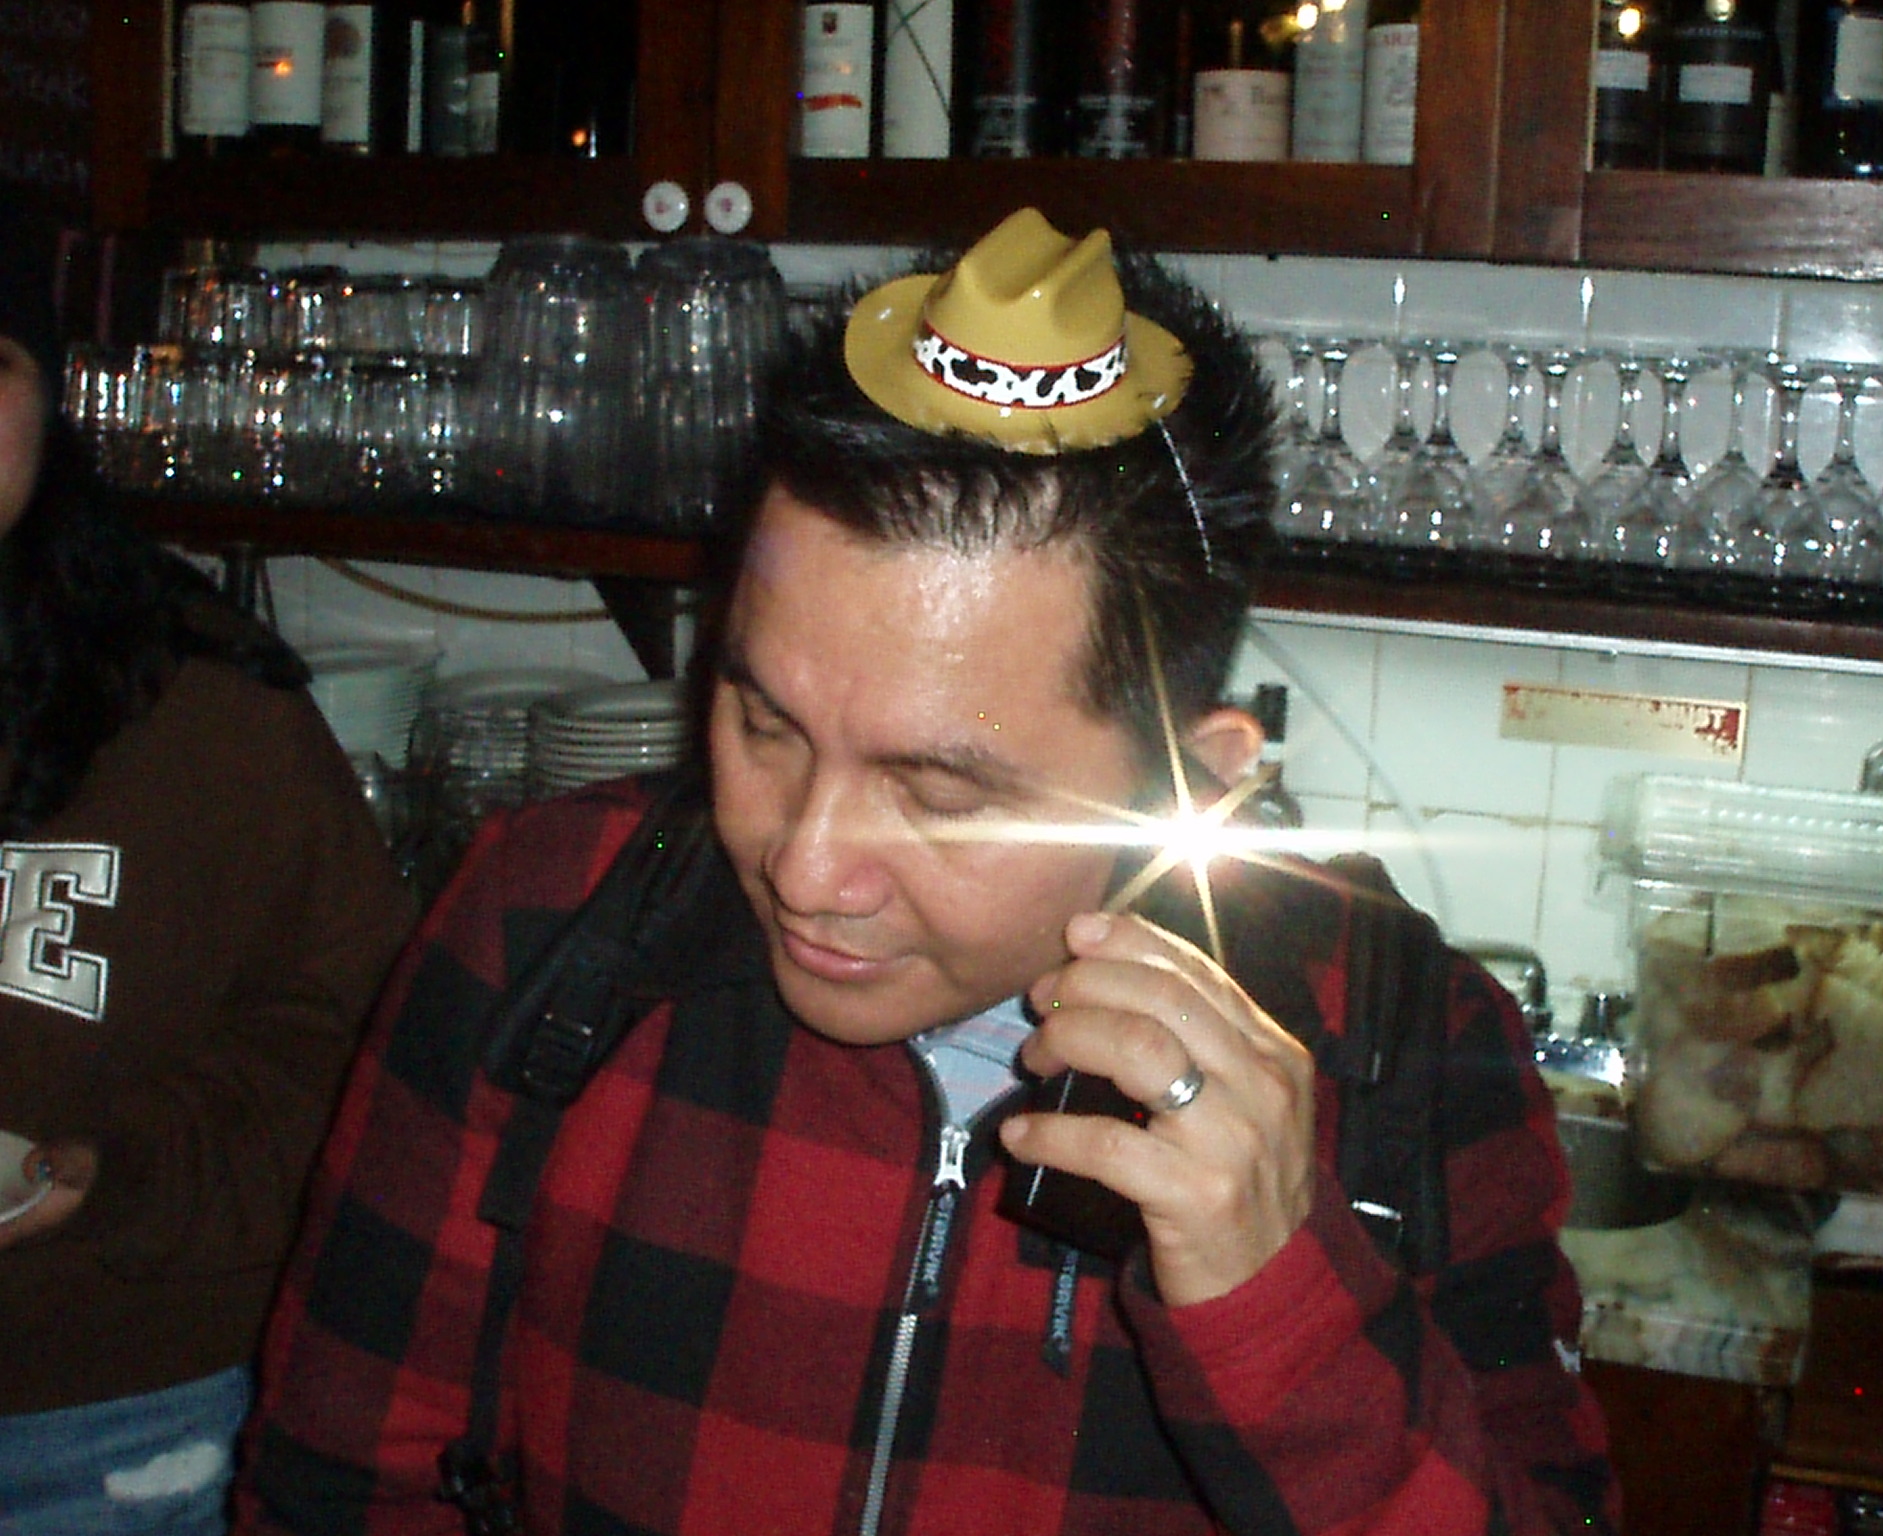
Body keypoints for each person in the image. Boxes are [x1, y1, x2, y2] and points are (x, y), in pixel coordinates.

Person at [237, 207, 1618, 1535]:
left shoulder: (1407, 1052)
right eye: (764, 722)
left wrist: (1282, 1306)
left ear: (1188, 785)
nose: (804, 866)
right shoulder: (543, 921)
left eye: (942, 794)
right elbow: (333, 1488)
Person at [0, 195, 418, 1534]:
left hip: (102, 1423)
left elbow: (354, 1052)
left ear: (45, 402)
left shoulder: (203, 705)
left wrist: (105, 1171)